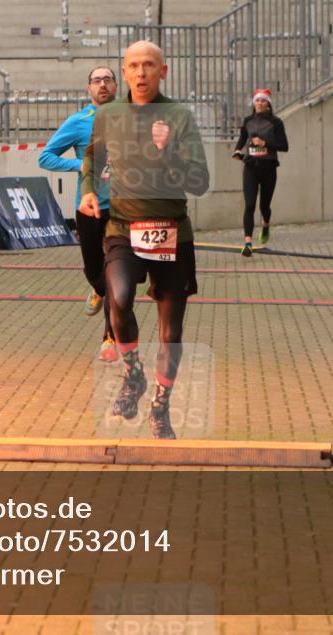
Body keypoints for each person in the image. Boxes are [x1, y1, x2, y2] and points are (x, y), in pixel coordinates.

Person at [79, 40, 209, 439]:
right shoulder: (109, 115)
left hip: (172, 232)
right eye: (133, 65)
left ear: (163, 71)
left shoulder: (179, 116)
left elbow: (200, 183)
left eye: (149, 65)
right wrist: (87, 189)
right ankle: (133, 376)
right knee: (118, 299)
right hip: (122, 229)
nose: (140, 73)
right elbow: (92, 159)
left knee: (171, 332)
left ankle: (160, 405)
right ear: (125, 69)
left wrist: (167, 149)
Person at [38, 67, 119, 362]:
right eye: (96, 81)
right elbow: (45, 157)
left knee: (115, 275)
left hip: (123, 207)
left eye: (107, 80)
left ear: (116, 85)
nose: (102, 85)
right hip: (89, 206)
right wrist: (78, 166)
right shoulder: (79, 122)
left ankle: (109, 338)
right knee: (93, 270)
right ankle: (97, 289)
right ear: (89, 89)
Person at [232, 88, 288, 257]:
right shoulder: (248, 121)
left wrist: (265, 142)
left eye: (263, 101)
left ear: (268, 104)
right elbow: (243, 138)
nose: (260, 103)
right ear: (254, 103)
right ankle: (247, 243)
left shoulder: (276, 122)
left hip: (268, 167)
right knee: (249, 205)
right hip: (250, 167)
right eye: (257, 100)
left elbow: (284, 146)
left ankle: (265, 225)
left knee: (264, 206)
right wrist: (237, 150)